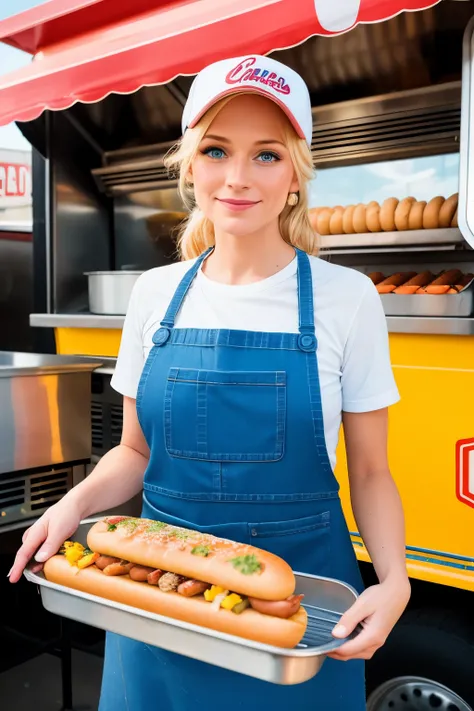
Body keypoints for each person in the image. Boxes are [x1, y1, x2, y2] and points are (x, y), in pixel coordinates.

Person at [9, 54, 411, 710]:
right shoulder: (154, 294)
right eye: (218, 149)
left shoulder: (348, 298)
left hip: (300, 606)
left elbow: (370, 471)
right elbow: (134, 452)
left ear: (296, 176)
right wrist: (71, 505)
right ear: (191, 163)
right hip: (159, 593)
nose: (238, 177)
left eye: (267, 155)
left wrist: (395, 579)